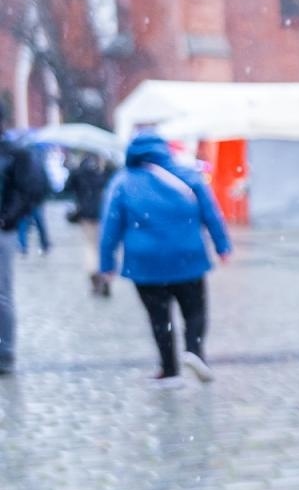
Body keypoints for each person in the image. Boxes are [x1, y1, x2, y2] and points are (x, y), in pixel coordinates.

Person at [98, 132, 232, 388]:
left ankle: (169, 370)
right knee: (194, 311)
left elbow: (110, 227)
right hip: (188, 257)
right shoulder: (189, 176)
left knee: (160, 318)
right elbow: (211, 213)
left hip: (145, 263)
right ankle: (194, 351)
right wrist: (222, 246)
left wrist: (106, 264)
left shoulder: (123, 182)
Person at [0, 109, 50, 375]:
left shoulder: (14, 153)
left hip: (2, 231)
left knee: (1, 294)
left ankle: (4, 352)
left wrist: (8, 218)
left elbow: (30, 189)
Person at [64, 152, 114, 296]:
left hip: (86, 212)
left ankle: (94, 274)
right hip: (104, 212)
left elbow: (67, 187)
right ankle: (105, 276)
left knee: (90, 246)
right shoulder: (107, 170)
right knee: (103, 246)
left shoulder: (81, 170)